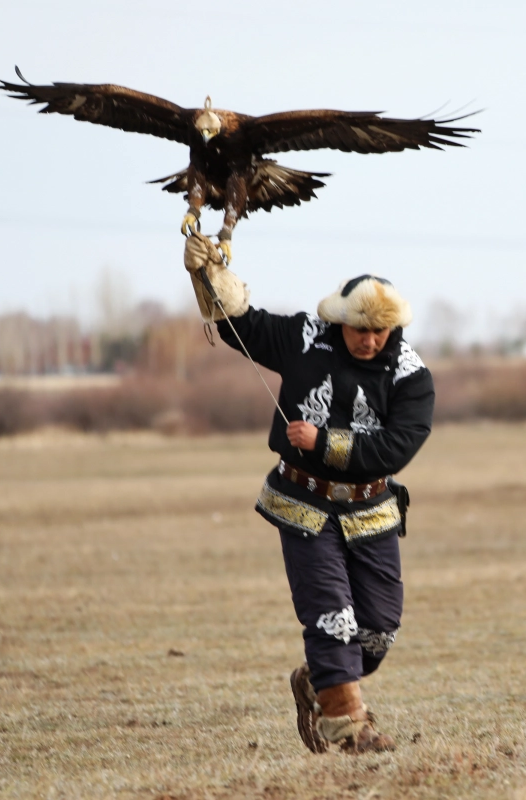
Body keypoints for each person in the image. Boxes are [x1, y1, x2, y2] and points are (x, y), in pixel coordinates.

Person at [183, 234, 434, 754]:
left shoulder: (411, 373)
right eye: (360, 330)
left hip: (371, 510)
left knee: (378, 631)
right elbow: (243, 327)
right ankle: (349, 729)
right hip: (304, 505)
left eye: (380, 331)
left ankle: (321, 678)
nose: (369, 340)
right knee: (331, 618)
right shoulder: (303, 337)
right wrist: (212, 281)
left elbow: (397, 446)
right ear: (341, 321)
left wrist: (325, 442)